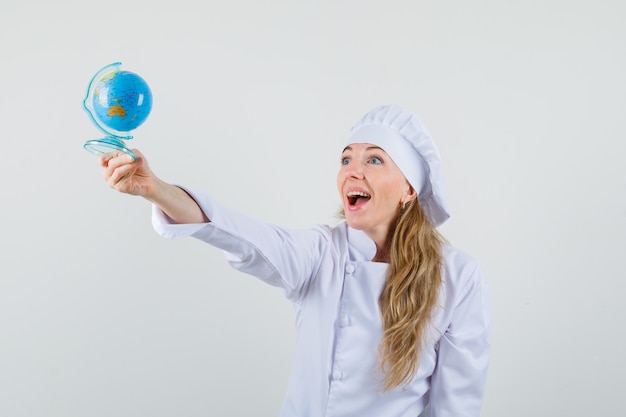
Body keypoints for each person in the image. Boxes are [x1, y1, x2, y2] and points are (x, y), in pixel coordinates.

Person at [99, 105, 491, 416]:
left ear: (409, 188)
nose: (353, 170)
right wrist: (156, 189)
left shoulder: (457, 275)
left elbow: (456, 405)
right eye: (346, 159)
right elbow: (244, 237)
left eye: (374, 160)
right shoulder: (322, 253)